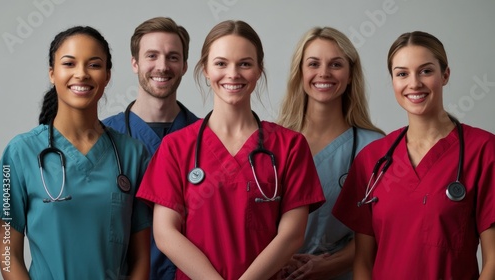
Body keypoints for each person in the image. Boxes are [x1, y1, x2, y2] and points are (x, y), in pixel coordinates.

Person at [136, 20, 326, 280]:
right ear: (205, 69)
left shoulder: (290, 146)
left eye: (245, 63)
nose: (233, 74)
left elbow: (292, 236)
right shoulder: (177, 146)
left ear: (259, 70)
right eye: (221, 63)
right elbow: (165, 233)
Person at [332, 31, 495, 279]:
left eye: (426, 71)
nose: (414, 83)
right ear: (393, 81)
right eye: (402, 74)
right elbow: (363, 262)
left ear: (445, 75)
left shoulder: (483, 150)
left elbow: (493, 261)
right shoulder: (372, 159)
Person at [0, 26, 151, 279]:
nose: (81, 74)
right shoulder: (19, 153)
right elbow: (7, 254)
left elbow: (142, 257)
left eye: (94, 65)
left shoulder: (133, 155)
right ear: (52, 73)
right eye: (69, 63)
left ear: (107, 75)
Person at [277, 27, 384, 280]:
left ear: (349, 75)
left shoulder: (375, 148)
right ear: (300, 73)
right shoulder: (273, 142)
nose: (324, 73)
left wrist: (329, 265)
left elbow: (381, 229)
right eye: (313, 64)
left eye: (336, 64)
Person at [102, 17, 199, 279]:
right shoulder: (102, 138)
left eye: (173, 57)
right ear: (135, 63)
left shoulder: (208, 137)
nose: (162, 66)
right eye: (152, 56)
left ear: (185, 65)